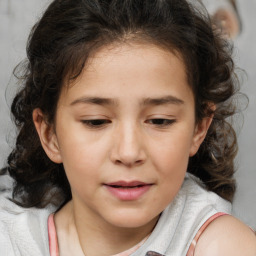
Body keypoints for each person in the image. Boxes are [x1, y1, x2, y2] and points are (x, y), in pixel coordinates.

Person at [0, 0, 255, 255]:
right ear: (49, 134)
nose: (129, 152)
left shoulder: (222, 246)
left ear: (199, 128)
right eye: (96, 121)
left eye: (160, 120)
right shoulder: (10, 239)